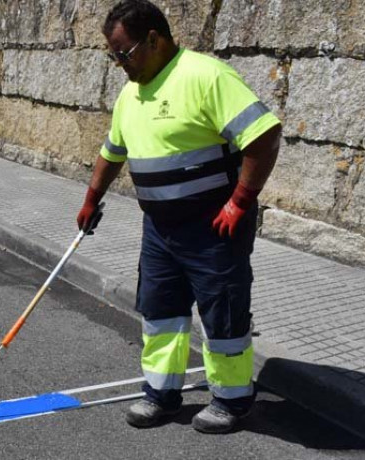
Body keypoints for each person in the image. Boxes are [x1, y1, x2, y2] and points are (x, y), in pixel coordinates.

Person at [76, 0, 282, 434]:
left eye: (124, 53)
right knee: (160, 312)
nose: (119, 64)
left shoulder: (205, 76)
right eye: (113, 56)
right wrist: (91, 199)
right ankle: (161, 394)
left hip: (214, 225)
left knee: (222, 312)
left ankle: (232, 400)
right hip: (159, 229)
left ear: (154, 39)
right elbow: (112, 153)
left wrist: (241, 201)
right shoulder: (131, 93)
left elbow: (263, 136)